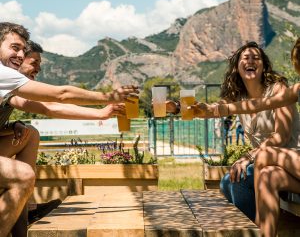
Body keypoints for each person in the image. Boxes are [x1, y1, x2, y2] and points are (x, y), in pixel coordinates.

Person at [0, 22, 139, 236]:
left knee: (29, 133)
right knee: (24, 175)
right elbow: (58, 97)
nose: (20, 55)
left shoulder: (10, 82)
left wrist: (101, 113)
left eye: (22, 50)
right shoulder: (4, 74)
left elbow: (51, 106)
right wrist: (107, 98)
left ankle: (22, 227)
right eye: (15, 48)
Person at [167, 41, 300, 222]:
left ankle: (254, 230)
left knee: (237, 182)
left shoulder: (278, 89)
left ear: (264, 66)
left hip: (287, 161)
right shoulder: (238, 96)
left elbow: (281, 136)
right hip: (263, 162)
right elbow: (209, 109)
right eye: (246, 58)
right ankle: (256, 224)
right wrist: (175, 107)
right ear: (237, 67)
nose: (251, 61)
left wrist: (248, 157)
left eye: (256, 58)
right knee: (226, 182)